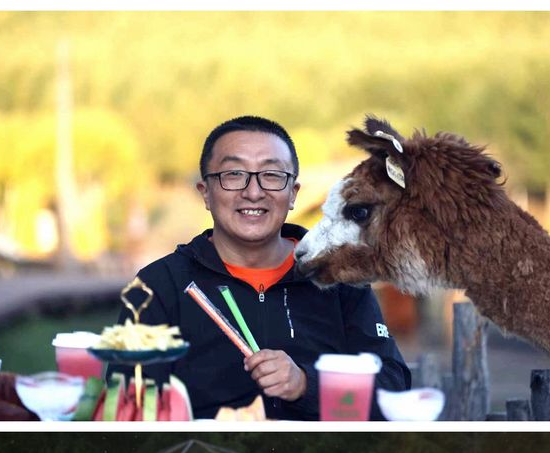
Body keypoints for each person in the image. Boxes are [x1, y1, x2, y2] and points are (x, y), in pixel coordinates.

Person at [112, 115, 411, 420]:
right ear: (205, 192)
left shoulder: (339, 280)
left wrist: (306, 385)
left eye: (271, 175)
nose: (253, 192)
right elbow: (126, 406)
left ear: (293, 193)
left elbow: (393, 389)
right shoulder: (159, 286)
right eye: (233, 174)